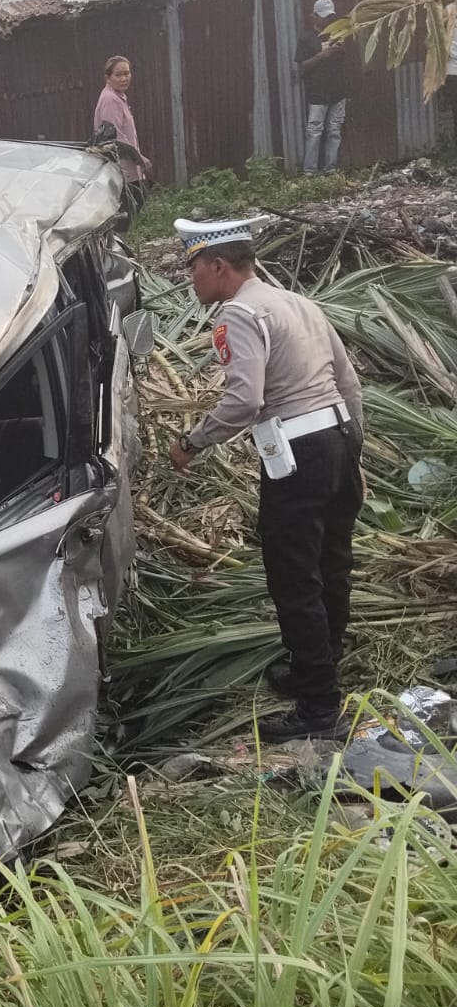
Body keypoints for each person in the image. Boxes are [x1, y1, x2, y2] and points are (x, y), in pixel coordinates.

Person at [167, 216, 364, 743]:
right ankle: (317, 669)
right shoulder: (297, 302)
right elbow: (349, 383)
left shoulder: (237, 314)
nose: (191, 281)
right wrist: (351, 452)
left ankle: (319, 711)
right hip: (338, 438)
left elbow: (244, 401)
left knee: (294, 578)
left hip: (298, 452)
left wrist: (191, 442)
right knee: (331, 564)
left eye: (193, 269)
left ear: (218, 265)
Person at [93, 55, 151, 215]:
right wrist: (139, 158)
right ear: (108, 77)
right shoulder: (110, 99)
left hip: (127, 167)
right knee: (127, 211)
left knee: (135, 205)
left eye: (127, 73)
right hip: (120, 168)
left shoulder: (118, 97)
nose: (124, 78)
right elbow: (114, 135)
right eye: (118, 75)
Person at [295, 0, 347, 175]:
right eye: (324, 16)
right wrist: (321, 56)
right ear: (314, 16)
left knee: (334, 130)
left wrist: (340, 50)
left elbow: (344, 61)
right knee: (315, 132)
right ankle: (309, 171)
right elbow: (302, 67)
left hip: (338, 91)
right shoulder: (306, 37)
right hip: (317, 93)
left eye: (330, 16)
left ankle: (330, 169)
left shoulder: (336, 33)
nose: (327, 20)